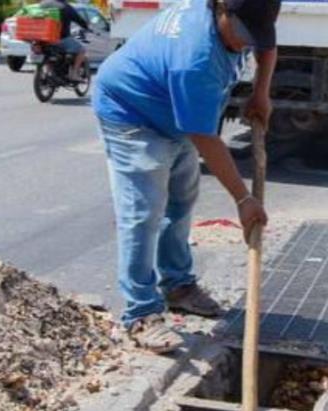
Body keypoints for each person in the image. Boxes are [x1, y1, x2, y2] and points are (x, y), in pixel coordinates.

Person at [92, 0, 279, 352]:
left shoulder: (251, 12)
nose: (246, 43)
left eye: (253, 36)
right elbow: (205, 138)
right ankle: (141, 312)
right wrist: (243, 198)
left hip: (171, 109)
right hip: (131, 112)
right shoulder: (195, 57)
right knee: (144, 211)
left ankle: (177, 285)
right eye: (242, 33)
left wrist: (261, 93)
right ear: (223, 10)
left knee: (181, 198)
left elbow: (267, 46)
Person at [39, 0, 90, 80]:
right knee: (82, 50)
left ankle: (50, 71)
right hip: (61, 38)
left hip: (44, 39)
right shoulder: (66, 7)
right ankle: (74, 73)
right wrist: (87, 27)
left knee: (47, 53)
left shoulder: (43, 4)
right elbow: (78, 19)